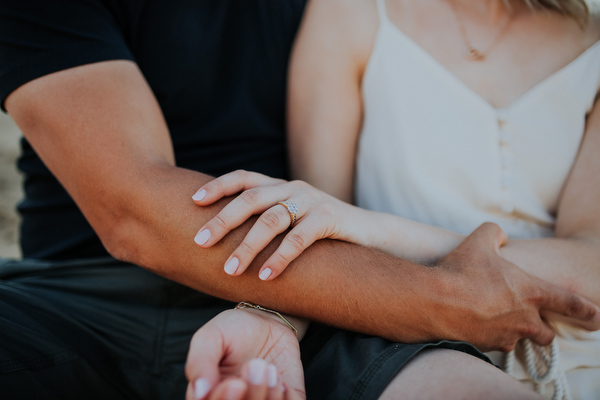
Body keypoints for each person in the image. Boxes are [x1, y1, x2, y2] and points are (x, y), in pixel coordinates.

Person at [0, 0, 597, 399]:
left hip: (323, 288)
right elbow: (134, 208)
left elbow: (328, 209)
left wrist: (280, 312)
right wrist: (438, 295)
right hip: (87, 291)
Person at [186, 0, 600, 398]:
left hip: (583, 353)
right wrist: (268, 321)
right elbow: (317, 237)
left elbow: (592, 264)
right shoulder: (351, 13)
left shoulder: (592, 42)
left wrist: (375, 229)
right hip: (415, 356)